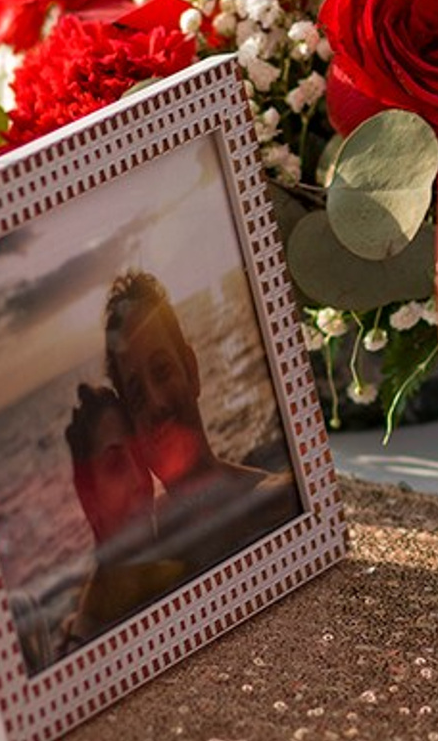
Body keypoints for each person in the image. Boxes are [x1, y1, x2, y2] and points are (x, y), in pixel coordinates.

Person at [102, 269, 298, 573]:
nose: (157, 403)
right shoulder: (147, 543)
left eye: (162, 371)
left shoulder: (277, 503)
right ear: (129, 425)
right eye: (137, 395)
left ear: (191, 371)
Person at [56, 382, 187, 651]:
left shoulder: (169, 563)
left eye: (139, 456)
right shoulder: (90, 643)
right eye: (116, 465)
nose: (140, 480)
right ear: (88, 498)